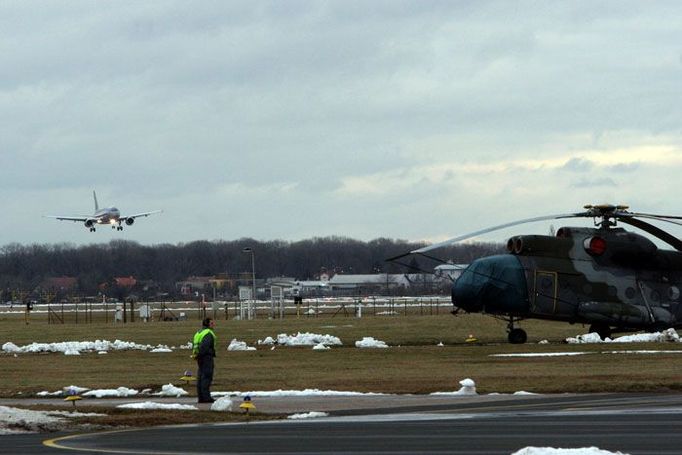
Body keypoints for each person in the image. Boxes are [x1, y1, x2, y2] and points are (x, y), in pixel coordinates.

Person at [192, 317, 216, 403]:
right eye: (212, 323)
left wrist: (197, 355)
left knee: (201, 377)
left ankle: (201, 397)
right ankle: (206, 397)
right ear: (208, 324)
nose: (214, 325)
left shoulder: (199, 333)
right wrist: (202, 354)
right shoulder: (208, 333)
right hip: (206, 357)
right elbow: (204, 346)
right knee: (206, 377)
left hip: (199, 357)